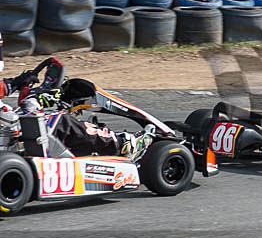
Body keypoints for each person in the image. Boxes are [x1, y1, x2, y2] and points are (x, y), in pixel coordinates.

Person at [0, 46, 151, 159]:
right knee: (61, 122)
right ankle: (122, 145)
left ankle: (83, 151)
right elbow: (11, 121)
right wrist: (35, 100)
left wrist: (13, 84)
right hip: (8, 144)